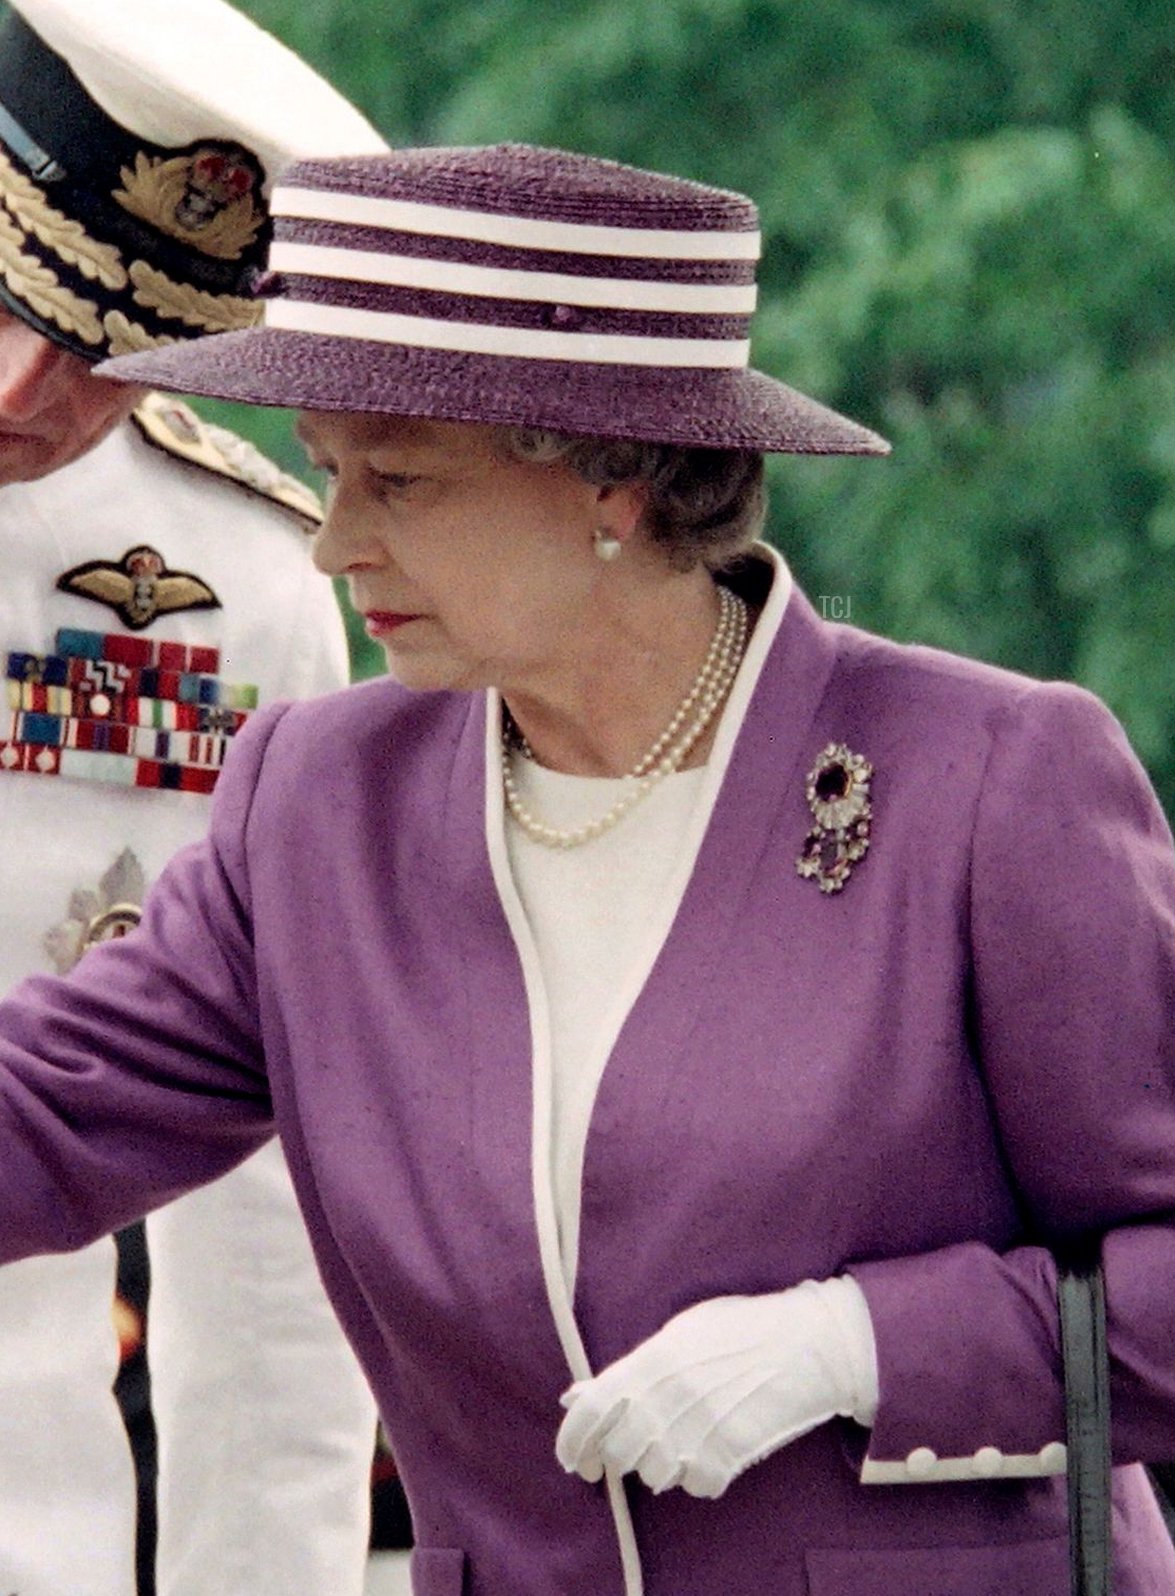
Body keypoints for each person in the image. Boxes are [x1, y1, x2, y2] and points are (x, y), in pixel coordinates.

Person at [0, 139, 1175, 1596]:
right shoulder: (316, 806)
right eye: (328, 474)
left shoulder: (993, 781)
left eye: (401, 482)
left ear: (614, 483)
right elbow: (42, 1117)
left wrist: (860, 1347)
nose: (332, 544)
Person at [0, 2, 389, 1593]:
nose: (32, 384)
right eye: (7, 293)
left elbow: (271, 1198)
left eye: (111, 348)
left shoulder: (238, 586)